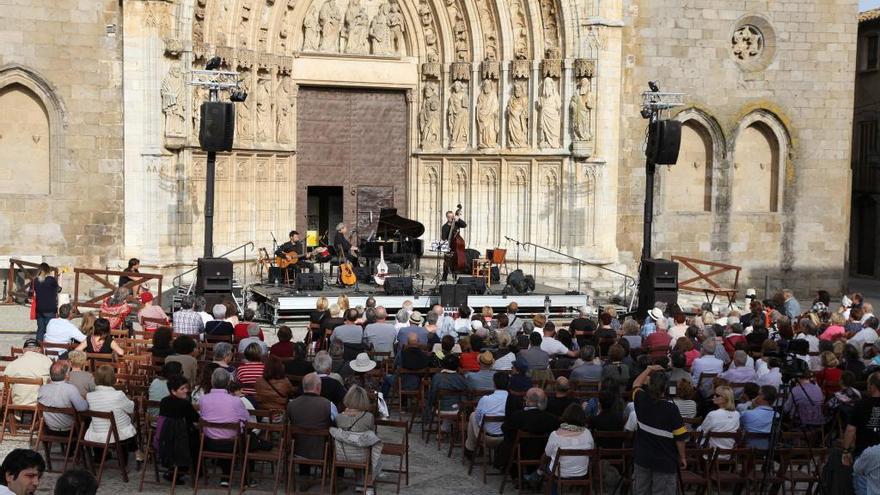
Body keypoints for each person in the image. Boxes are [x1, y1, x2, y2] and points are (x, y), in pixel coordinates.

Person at [630, 365, 687, 495]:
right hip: (665, 461)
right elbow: (680, 438)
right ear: (666, 389)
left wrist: (648, 369)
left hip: (643, 458)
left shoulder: (641, 400)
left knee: (641, 491)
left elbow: (636, 384)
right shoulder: (672, 409)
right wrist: (682, 457)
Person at [198, 368, 249, 488]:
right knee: (244, 438)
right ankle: (245, 478)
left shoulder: (203, 399)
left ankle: (226, 477)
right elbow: (246, 419)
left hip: (209, 442)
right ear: (228, 383)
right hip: (232, 444)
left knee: (227, 434)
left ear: (212, 382)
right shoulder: (235, 401)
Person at [498, 388, 560, 475]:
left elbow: (505, 430)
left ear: (527, 400)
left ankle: (513, 472)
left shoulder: (517, 416)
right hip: (542, 453)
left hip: (520, 453)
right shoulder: (551, 419)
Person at [287, 373, 337, 479]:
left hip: (297, 449)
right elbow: (336, 423)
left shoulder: (291, 405)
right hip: (322, 450)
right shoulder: (328, 404)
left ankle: (304, 475)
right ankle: (335, 477)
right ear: (318, 387)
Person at [332, 385, 382, 492]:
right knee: (370, 443)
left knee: (351, 443)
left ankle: (360, 480)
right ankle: (366, 483)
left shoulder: (339, 417)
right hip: (362, 456)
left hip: (342, 456)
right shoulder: (368, 417)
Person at [534, 403, 594, 489]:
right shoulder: (587, 433)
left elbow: (548, 453)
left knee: (549, 462)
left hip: (559, 473)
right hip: (582, 473)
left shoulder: (555, 435)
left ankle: (540, 475)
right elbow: (591, 450)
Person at [157, 374, 200, 483]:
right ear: (173, 391)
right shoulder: (184, 404)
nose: (186, 391)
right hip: (182, 441)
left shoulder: (164, 401)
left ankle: (174, 470)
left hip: (165, 439)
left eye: (186, 388)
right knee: (197, 437)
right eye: (182, 389)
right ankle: (197, 471)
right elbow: (196, 418)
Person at [843, 372, 880, 495]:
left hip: (865, 452)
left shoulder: (860, 405)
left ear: (873, 386)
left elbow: (850, 430)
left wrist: (846, 451)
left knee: (863, 488)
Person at [84, 366, 137, 452]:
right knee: (126, 417)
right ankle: (135, 450)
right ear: (113, 378)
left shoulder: (89, 396)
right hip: (119, 435)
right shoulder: (118, 395)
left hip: (98, 434)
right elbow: (131, 409)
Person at [464, 372, 509, 457]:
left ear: (494, 383)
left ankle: (470, 447)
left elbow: (478, 418)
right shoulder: (511, 399)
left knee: (473, 415)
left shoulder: (486, 399)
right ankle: (470, 447)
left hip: (487, 437)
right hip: (505, 436)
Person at [37, 361, 88, 434]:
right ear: (66, 375)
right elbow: (82, 408)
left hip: (49, 428)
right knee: (88, 419)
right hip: (69, 430)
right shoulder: (70, 389)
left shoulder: (42, 389)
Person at [4, 339, 52, 406]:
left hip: (16, 404)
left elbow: (4, 386)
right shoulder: (47, 361)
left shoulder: (13, 364)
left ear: (23, 350)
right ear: (39, 350)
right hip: (39, 404)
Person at [424, 354, 469, 425]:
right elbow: (466, 393)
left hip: (440, 408)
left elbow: (432, 396)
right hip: (458, 409)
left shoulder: (437, 377)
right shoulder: (461, 378)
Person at [698, 385, 740, 452]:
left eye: (717, 395)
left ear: (726, 398)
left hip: (710, 453)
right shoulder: (737, 414)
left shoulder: (713, 414)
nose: (714, 396)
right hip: (729, 453)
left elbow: (702, 432)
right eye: (714, 394)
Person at [32, 263, 59, 342]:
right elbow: (58, 289)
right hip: (49, 308)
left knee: (40, 329)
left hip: (39, 309)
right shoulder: (51, 279)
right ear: (48, 270)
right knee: (49, 330)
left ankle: (38, 346)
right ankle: (48, 347)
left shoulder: (36, 280)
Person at [440, 210, 467, 281]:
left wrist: (459, 219)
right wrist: (445, 242)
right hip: (449, 246)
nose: (451, 218)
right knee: (446, 262)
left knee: (455, 260)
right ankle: (444, 277)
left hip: (456, 246)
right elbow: (443, 238)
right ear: (447, 217)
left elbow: (464, 225)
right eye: (449, 217)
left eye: (452, 216)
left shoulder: (457, 224)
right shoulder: (444, 227)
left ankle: (455, 275)